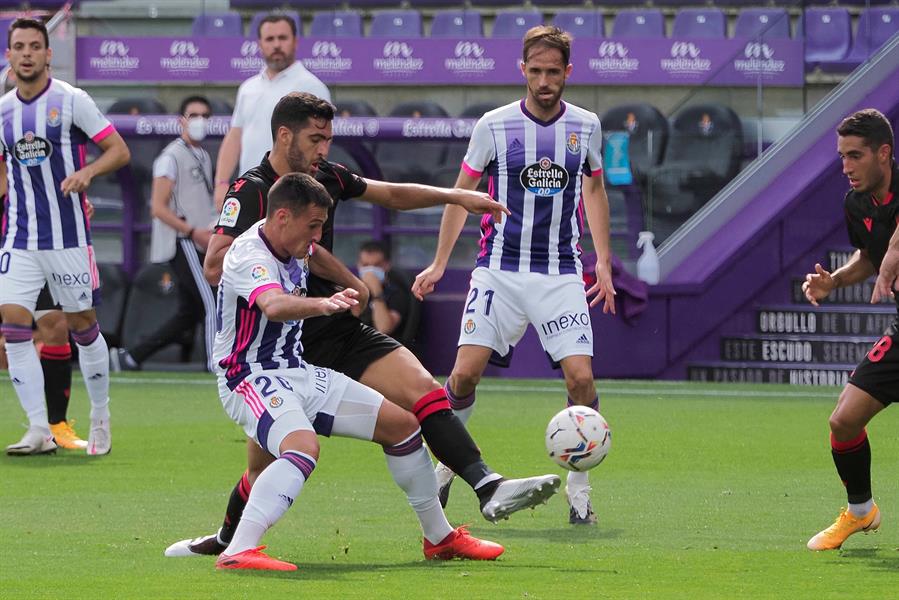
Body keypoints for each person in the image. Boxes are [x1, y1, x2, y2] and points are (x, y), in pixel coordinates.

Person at [163, 92, 559, 558]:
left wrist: (454, 196)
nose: (324, 149)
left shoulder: (323, 177)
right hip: (274, 346)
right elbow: (217, 266)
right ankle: (230, 542)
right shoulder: (254, 192)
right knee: (266, 465)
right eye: (316, 139)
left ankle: (478, 494)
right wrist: (289, 288)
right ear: (285, 135)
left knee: (416, 399)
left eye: (328, 138)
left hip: (332, 328)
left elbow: (388, 195)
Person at [210, 172, 503, 570]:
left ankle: (440, 538)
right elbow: (274, 306)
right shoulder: (249, 255)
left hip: (297, 370)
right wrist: (325, 304)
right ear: (281, 217)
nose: (316, 236)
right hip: (248, 377)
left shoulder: (293, 243)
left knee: (402, 426)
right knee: (302, 448)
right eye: (313, 226)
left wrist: (351, 281)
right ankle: (237, 550)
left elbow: (316, 256)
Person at [412, 26, 617, 526]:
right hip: (498, 270)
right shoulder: (494, 126)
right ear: (522, 69)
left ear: (568, 73)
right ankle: (446, 468)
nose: (544, 80)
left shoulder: (586, 126)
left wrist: (604, 262)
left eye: (554, 72)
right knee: (462, 375)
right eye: (536, 70)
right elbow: (461, 195)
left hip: (560, 271)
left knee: (582, 378)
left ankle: (580, 485)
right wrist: (440, 262)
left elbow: (594, 192)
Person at [0, 18, 130, 456]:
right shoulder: (2, 112)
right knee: (15, 324)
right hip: (19, 238)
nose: (27, 54)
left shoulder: (72, 100)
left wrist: (87, 173)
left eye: (35, 46)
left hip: (68, 237)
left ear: (48, 53)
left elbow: (119, 150)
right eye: (19, 46)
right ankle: (39, 428)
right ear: (9, 54)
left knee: (82, 326)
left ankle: (99, 416)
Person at [804, 109, 898, 551]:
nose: (846, 167)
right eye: (842, 156)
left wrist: (892, 264)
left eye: (855, 156)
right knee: (843, 421)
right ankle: (861, 512)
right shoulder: (855, 203)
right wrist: (835, 280)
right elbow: (869, 255)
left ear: (884, 153)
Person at [109, 96, 217, 372]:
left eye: (205, 115)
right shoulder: (169, 158)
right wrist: (192, 232)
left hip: (201, 241)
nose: (199, 121)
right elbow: (158, 208)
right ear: (181, 120)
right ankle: (218, 364)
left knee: (188, 312)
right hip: (184, 242)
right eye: (193, 115)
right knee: (212, 301)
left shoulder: (202, 155)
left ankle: (131, 357)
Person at [213, 13, 330, 210]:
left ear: (296, 42)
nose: (276, 44)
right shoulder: (247, 88)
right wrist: (222, 183)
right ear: (259, 44)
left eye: (282, 38)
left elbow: (321, 144)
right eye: (270, 39)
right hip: (249, 192)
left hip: (291, 195)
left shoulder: (312, 87)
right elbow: (235, 136)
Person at [357, 239, 414, 343]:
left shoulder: (397, 293)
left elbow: (384, 328)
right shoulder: (353, 290)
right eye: (365, 265)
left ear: (386, 265)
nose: (370, 271)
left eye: (376, 265)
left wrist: (376, 291)